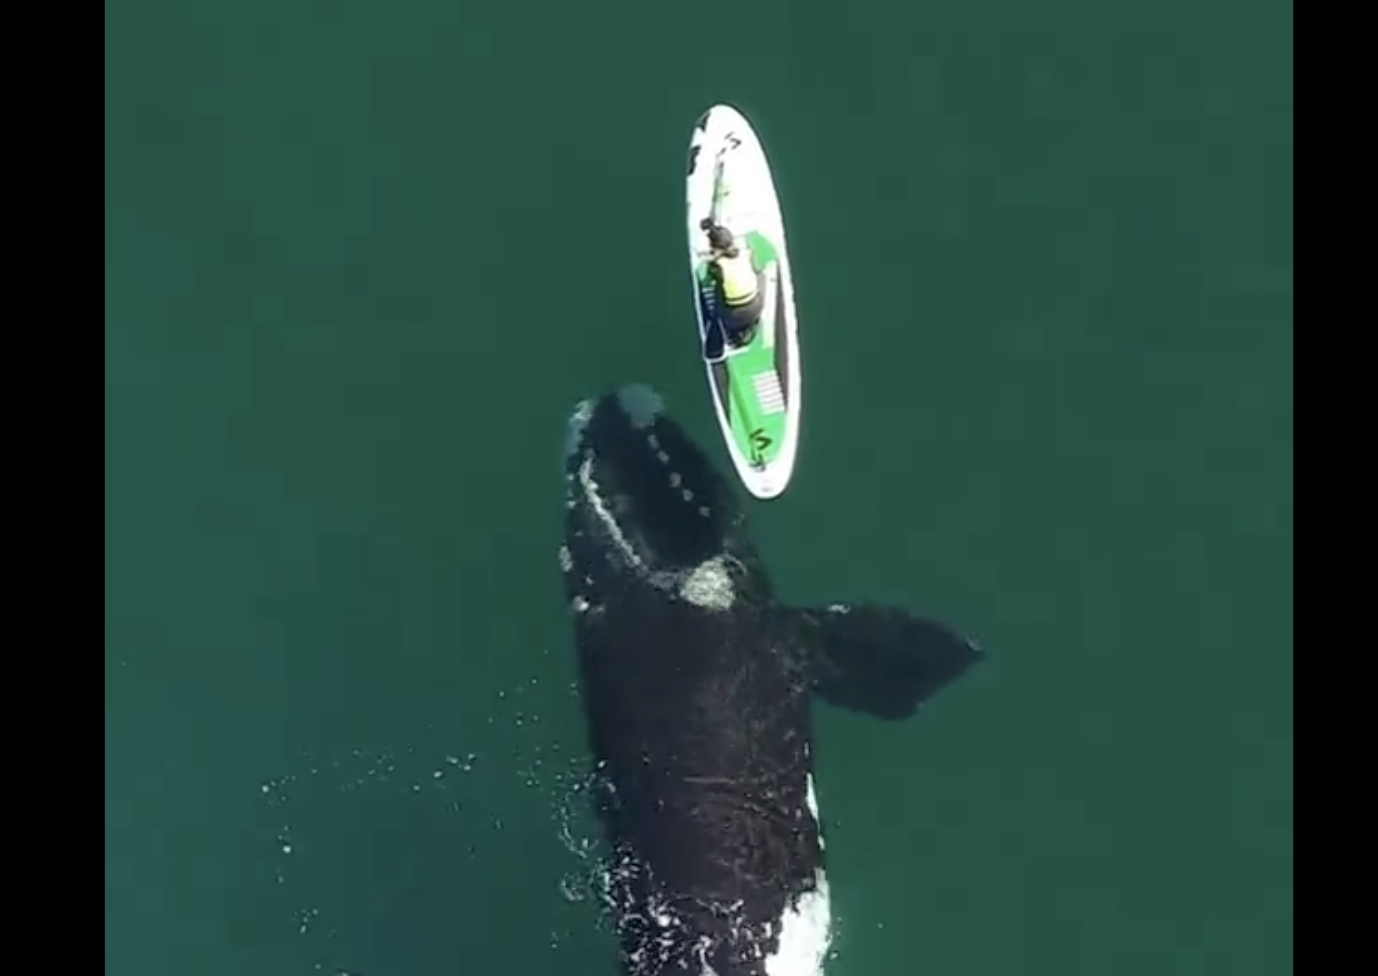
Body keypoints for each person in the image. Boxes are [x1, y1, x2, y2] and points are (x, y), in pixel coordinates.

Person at [700, 218, 765, 349]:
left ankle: (730, 334)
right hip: (757, 306)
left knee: (718, 287)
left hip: (734, 317)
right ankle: (752, 321)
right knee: (758, 274)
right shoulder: (747, 253)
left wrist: (711, 259)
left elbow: (707, 279)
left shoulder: (717, 266)